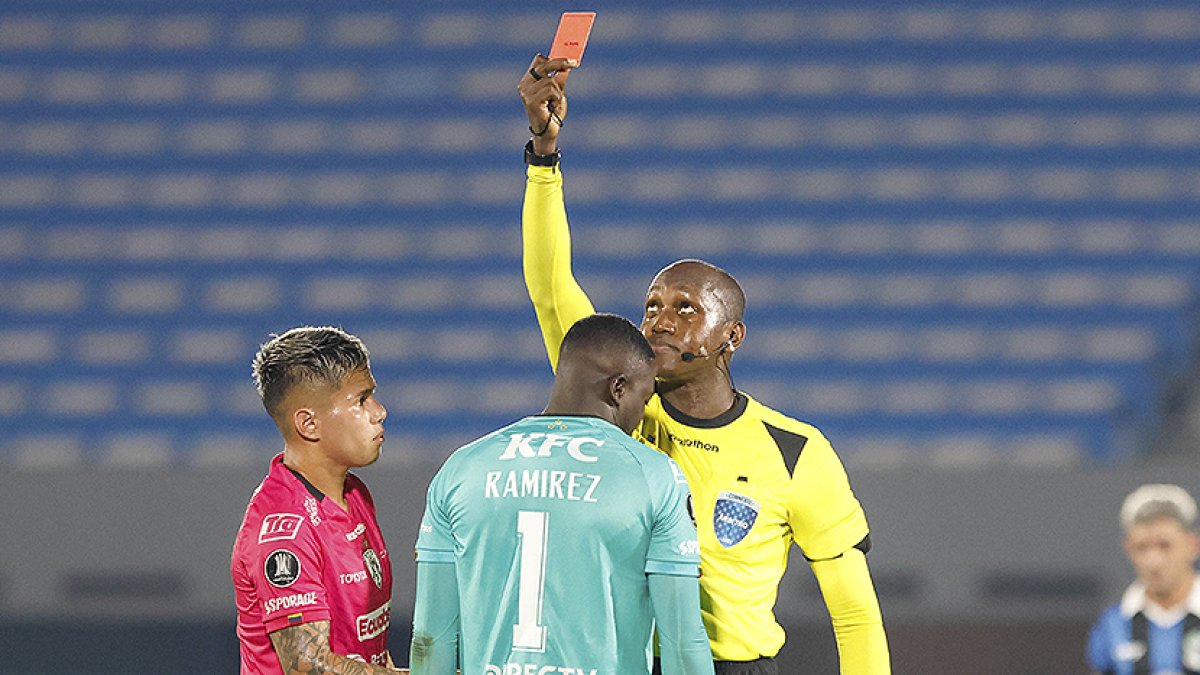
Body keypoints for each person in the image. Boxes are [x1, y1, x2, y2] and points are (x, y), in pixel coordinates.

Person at [517, 55, 890, 674]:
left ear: (732, 335)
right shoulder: (616, 408)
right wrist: (543, 157)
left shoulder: (797, 452)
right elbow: (550, 288)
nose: (661, 319)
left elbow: (853, 614)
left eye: (686, 309)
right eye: (652, 305)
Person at [409, 313, 714, 675]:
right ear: (618, 389)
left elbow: (430, 638)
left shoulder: (462, 468)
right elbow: (683, 641)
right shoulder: (654, 474)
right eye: (644, 398)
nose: (642, 413)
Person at [231, 326, 400, 674]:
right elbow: (307, 666)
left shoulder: (355, 494)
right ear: (309, 424)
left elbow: (366, 652)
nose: (379, 411)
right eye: (361, 400)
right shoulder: (283, 531)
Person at [1088, 484, 1200, 674]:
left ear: (1193, 544)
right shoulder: (1112, 625)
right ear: (1128, 548)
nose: (1153, 561)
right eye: (1142, 547)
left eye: (1165, 545)